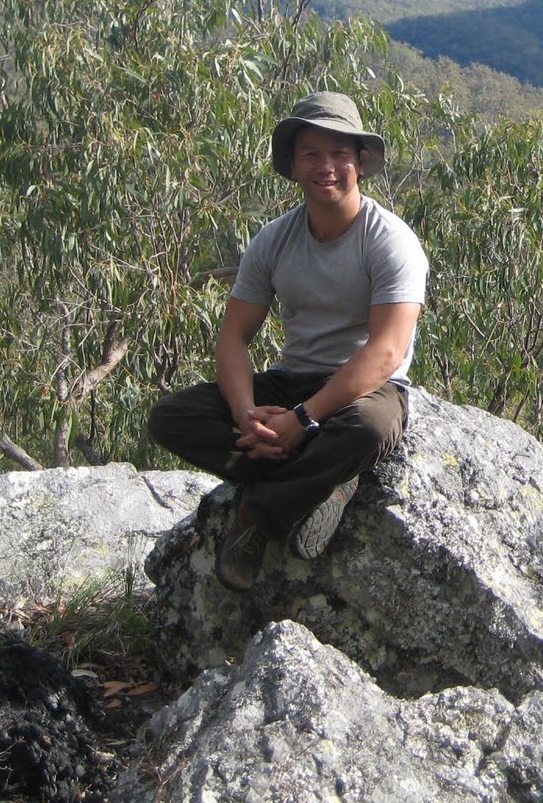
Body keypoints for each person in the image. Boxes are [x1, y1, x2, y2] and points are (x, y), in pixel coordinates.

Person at [148, 91, 428, 590]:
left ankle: (260, 515)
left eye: (340, 153)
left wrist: (303, 421)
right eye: (311, 154)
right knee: (173, 416)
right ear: (294, 167)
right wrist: (245, 415)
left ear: (361, 162)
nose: (327, 167)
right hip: (291, 380)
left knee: (367, 427)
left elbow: (386, 352)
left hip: (362, 391)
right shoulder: (274, 240)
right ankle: (325, 480)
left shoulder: (390, 241)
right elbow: (234, 335)